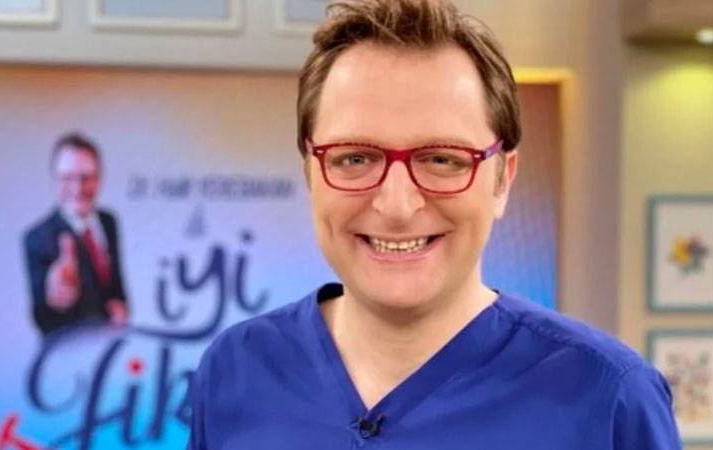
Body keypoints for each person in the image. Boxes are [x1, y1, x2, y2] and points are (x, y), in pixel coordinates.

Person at [188, 1, 681, 448]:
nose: (397, 205)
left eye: (442, 159)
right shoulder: (237, 370)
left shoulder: (608, 398)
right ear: (310, 173)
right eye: (354, 157)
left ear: (503, 180)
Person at [23, 132, 129, 336]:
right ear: (54, 180)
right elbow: (42, 317)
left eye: (86, 178)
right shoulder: (37, 238)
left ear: (99, 179)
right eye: (67, 178)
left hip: (110, 345)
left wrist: (119, 306)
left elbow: (115, 283)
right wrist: (57, 299)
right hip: (71, 349)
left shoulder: (109, 222)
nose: (77, 187)